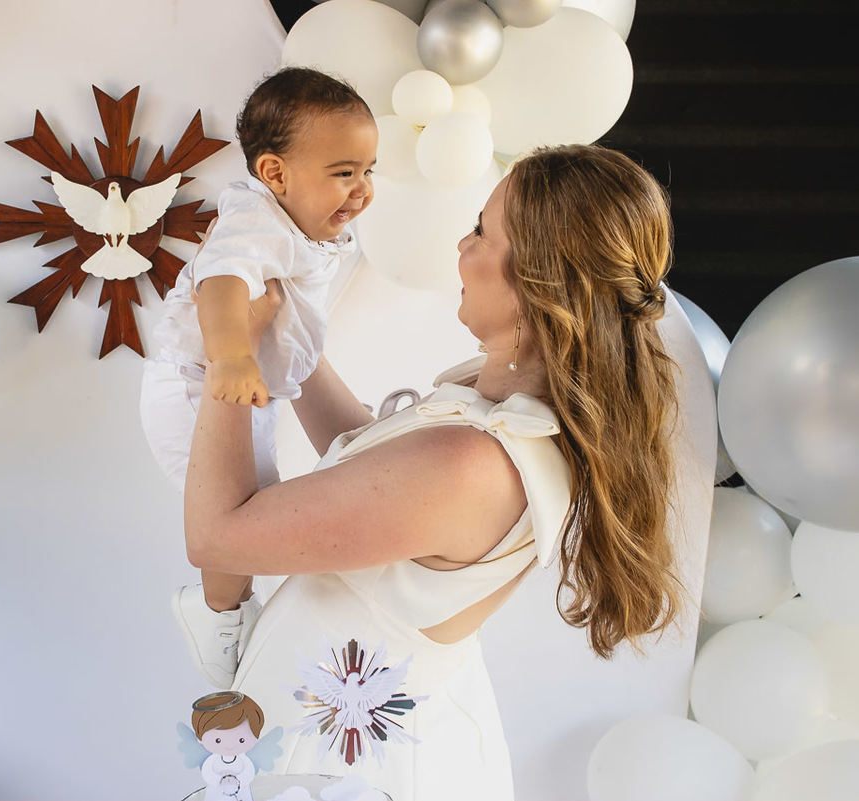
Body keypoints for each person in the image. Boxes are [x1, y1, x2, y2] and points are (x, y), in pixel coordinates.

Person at [182, 144, 685, 800]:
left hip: (344, 773)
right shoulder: (510, 417)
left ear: (534, 279)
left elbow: (218, 535)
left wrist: (232, 354)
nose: (461, 244)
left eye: (481, 229)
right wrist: (293, 341)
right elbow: (370, 474)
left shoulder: (473, 462)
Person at [139, 67, 377, 689]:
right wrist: (233, 357)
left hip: (242, 390)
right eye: (344, 173)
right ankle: (217, 613)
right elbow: (221, 282)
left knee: (256, 508)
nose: (362, 190)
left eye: (369, 171)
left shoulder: (298, 224)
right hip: (198, 384)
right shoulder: (256, 220)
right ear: (275, 174)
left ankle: (232, 607)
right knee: (240, 520)